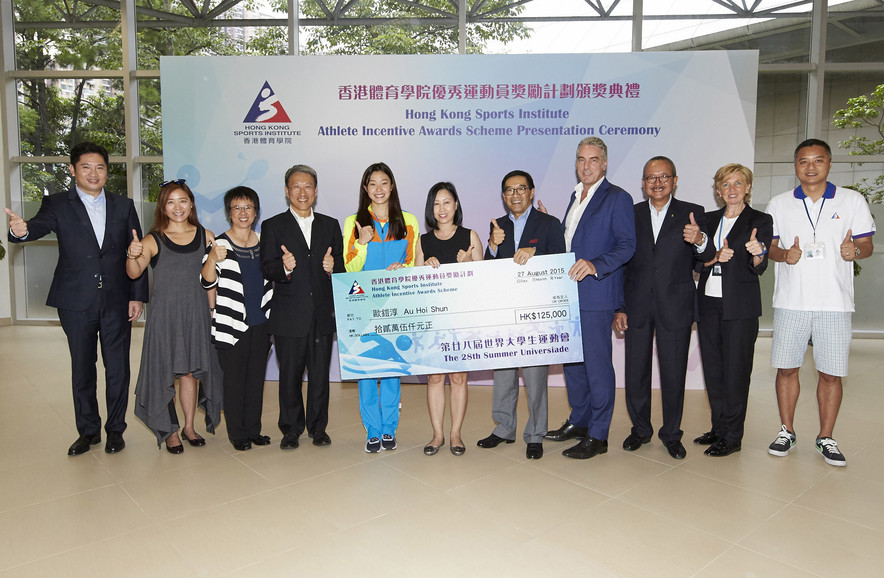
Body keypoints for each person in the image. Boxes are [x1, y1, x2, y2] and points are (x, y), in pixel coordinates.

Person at [5, 141, 148, 456]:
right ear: (72, 170)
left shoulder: (123, 205)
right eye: (86, 166)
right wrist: (19, 231)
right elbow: (35, 229)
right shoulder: (56, 204)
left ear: (107, 171)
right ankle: (88, 431)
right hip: (75, 301)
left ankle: (115, 431)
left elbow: (136, 251)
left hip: (117, 299)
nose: (93, 173)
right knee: (83, 368)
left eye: (99, 167)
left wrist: (138, 295)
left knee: (118, 369)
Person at [765, 138, 875, 467]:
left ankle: (826, 436)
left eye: (818, 160)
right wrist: (785, 254)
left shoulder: (852, 200)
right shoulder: (780, 203)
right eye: (803, 161)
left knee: (831, 374)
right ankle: (787, 430)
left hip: (834, 302)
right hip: (791, 300)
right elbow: (769, 248)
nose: (810, 167)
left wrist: (855, 251)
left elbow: (866, 243)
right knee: (787, 368)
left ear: (829, 163)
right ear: (795, 166)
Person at [613, 156, 713, 460]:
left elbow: (705, 258)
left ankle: (671, 434)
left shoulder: (693, 213)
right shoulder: (630, 214)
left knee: (673, 374)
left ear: (675, 180)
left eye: (663, 177)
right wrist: (619, 306)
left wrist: (700, 240)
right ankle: (641, 429)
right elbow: (621, 263)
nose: (657, 183)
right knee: (635, 373)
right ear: (643, 184)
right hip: (636, 305)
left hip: (676, 306)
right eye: (650, 178)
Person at [546, 136, 636, 460]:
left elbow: (627, 246)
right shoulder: (575, 197)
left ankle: (598, 435)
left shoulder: (618, 198)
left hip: (597, 295)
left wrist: (596, 265)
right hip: (568, 295)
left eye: (593, 160)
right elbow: (574, 241)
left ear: (605, 163)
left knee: (597, 367)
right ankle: (580, 420)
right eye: (581, 160)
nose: (586, 166)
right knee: (572, 364)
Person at [127, 180, 222, 453]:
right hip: (165, 316)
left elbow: (214, 278)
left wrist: (213, 311)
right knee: (164, 372)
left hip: (197, 314)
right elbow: (134, 272)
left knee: (191, 373)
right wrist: (132, 255)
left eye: (182, 201)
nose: (177, 207)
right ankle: (169, 431)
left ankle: (189, 427)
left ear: (191, 203)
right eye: (171, 202)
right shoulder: (152, 239)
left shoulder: (207, 236)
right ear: (163, 207)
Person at [476, 170, 566, 460]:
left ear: (531, 192)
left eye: (521, 189)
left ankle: (536, 433)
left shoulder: (550, 224)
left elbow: (560, 263)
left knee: (536, 377)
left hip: (536, 313)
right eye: (509, 190)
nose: (515, 195)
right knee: (503, 374)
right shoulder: (496, 226)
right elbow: (486, 271)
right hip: (503, 312)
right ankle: (504, 428)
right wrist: (492, 246)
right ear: (503, 196)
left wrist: (534, 252)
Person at [260, 165, 344, 450]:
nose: (302, 192)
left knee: (320, 376)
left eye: (308, 186)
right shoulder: (272, 226)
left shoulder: (330, 225)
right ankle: (291, 429)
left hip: (321, 314)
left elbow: (342, 268)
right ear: (287, 191)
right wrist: (283, 268)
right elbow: (266, 266)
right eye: (296, 186)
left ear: (316, 191)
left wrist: (334, 269)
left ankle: (318, 429)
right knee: (290, 377)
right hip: (288, 315)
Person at [694, 164, 773, 457]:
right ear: (718, 190)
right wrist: (712, 256)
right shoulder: (707, 220)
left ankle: (733, 435)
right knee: (714, 369)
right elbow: (695, 261)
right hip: (708, 304)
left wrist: (757, 253)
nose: (732, 189)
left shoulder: (760, 220)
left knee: (736, 372)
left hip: (740, 307)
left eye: (738, 183)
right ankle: (718, 427)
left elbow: (760, 265)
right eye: (726, 184)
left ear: (748, 187)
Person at [343, 162, 419, 453]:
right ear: (365, 188)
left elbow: (413, 262)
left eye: (384, 182)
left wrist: (404, 267)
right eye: (372, 183)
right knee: (365, 370)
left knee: (391, 369)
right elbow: (351, 269)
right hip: (363, 305)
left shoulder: (408, 221)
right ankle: (372, 431)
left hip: (396, 304)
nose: (378, 189)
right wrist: (362, 244)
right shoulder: (353, 222)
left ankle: (389, 429)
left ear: (392, 186)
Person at [201, 186, 273, 451]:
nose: (243, 213)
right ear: (229, 212)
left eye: (248, 207)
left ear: (256, 211)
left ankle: (254, 429)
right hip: (231, 326)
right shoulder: (218, 244)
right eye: (237, 208)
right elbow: (206, 281)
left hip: (262, 323)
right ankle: (238, 434)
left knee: (255, 380)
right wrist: (211, 258)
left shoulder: (266, 242)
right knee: (234, 382)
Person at [415, 182, 483, 457]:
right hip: (433, 320)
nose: (441, 209)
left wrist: (469, 264)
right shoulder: (423, 240)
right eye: (436, 204)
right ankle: (437, 434)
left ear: (456, 205)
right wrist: (424, 269)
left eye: (447, 202)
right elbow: (414, 284)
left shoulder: (470, 236)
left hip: (462, 319)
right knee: (434, 378)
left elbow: (484, 281)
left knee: (458, 377)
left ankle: (455, 433)